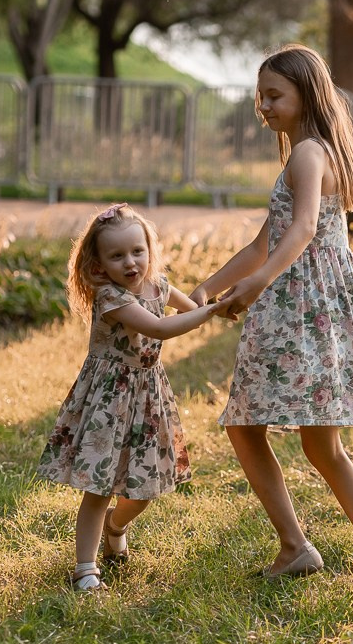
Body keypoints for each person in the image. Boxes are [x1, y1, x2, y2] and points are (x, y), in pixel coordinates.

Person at [191, 45, 353, 579]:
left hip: (300, 306)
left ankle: (299, 547)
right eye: (259, 95)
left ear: (307, 93)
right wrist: (210, 285)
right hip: (312, 303)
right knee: (321, 446)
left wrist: (258, 284)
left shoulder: (309, 153)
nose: (263, 104)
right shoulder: (311, 150)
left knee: (251, 427)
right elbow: (267, 240)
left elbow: (302, 229)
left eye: (274, 94)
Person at [37, 203, 223, 592]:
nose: (130, 262)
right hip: (110, 398)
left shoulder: (158, 285)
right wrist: (209, 314)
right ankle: (85, 569)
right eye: (117, 255)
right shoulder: (110, 297)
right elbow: (159, 328)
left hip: (148, 397)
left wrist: (214, 307)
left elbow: (189, 307)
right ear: (99, 264)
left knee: (144, 486)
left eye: (137, 251)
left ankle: (116, 525)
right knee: (99, 486)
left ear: (149, 250)